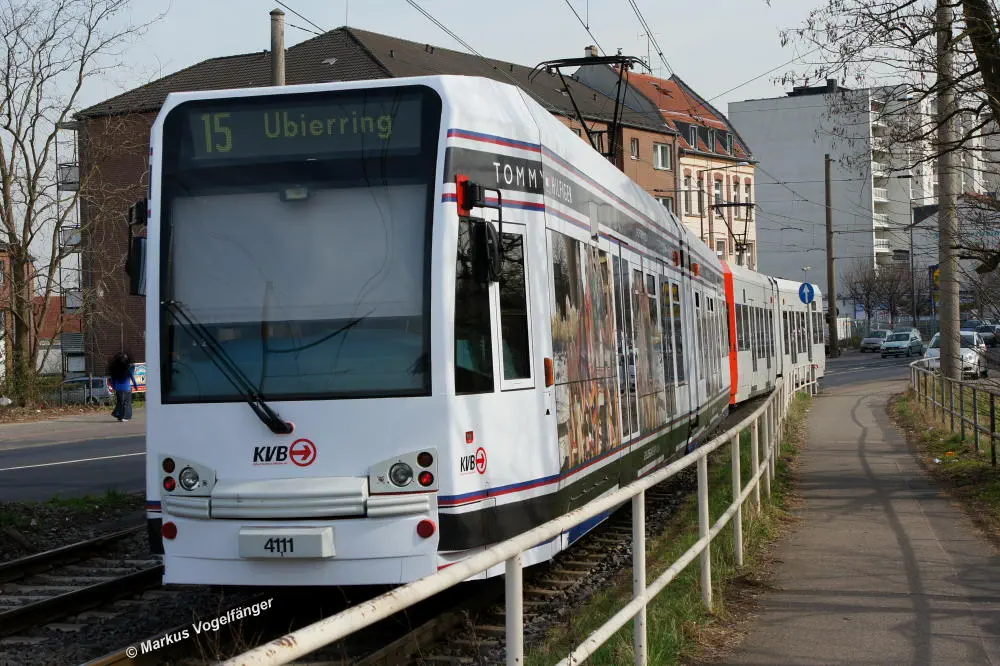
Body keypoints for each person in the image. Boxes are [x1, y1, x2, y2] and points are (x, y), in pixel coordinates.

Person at [108, 352, 138, 422]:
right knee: (126, 403)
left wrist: (114, 387)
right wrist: (135, 386)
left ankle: (119, 416)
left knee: (120, 402)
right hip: (126, 388)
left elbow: (113, 380)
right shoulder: (128, 368)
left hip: (119, 389)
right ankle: (124, 416)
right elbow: (132, 377)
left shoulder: (115, 370)